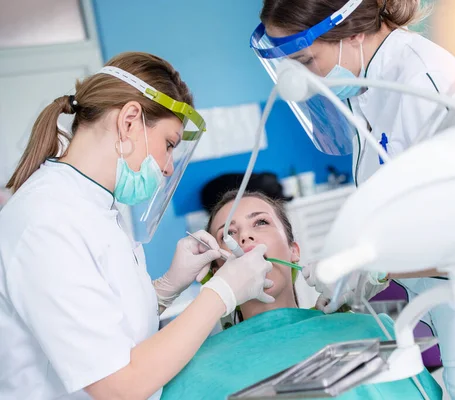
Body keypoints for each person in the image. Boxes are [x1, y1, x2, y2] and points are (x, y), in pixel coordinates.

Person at [252, 1, 455, 399]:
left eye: (306, 59)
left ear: (352, 32)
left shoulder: (421, 81)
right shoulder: (367, 85)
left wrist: (372, 265)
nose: (303, 78)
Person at [0, 52, 274, 400]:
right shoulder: (46, 222)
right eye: (169, 145)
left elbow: (108, 324)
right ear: (129, 121)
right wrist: (222, 292)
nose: (169, 167)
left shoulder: (95, 206)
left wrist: (165, 289)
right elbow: (118, 385)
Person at [161, 190, 443, 400]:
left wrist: (377, 267)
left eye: (260, 223)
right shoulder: (190, 368)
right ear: (215, 268)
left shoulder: (371, 328)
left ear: (294, 250)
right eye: (228, 235)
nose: (244, 238)